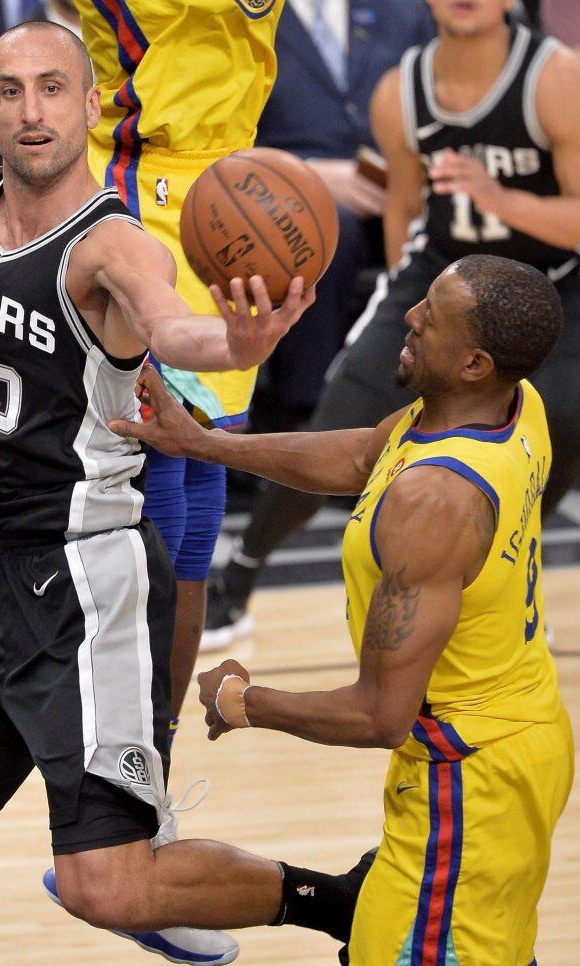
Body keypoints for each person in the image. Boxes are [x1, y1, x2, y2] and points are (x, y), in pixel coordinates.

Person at [0, 22, 323, 966]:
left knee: (105, 886)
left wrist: (239, 345)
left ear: (91, 105)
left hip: (92, 588)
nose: (30, 111)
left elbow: (179, 331)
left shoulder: (114, 246)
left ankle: (347, 903)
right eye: (9, 92)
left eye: (50, 89)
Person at [111, 254, 574, 965]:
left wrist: (241, 701)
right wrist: (206, 444)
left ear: (476, 363)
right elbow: (365, 456)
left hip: (469, 775)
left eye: (433, 318)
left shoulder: (434, 502)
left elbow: (379, 715)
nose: (411, 317)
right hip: (510, 737)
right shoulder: (508, 406)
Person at [205, 0, 580, 646]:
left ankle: (503, 584)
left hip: (555, 283)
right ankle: (238, 576)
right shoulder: (398, 91)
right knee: (343, 419)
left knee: (566, 420)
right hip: (442, 274)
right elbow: (404, 214)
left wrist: (498, 199)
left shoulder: (555, 79)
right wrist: (422, 315)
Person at [65, 0, 285, 738]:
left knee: (200, 468)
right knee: (156, 464)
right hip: (138, 180)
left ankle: (151, 763)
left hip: (231, 184)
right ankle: (125, 769)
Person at [247, 0, 434, 435]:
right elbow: (212, 130)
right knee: (329, 230)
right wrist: (304, 172)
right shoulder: (239, 13)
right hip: (278, 195)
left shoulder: (405, 12)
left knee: (445, 233)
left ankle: (422, 409)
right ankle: (310, 416)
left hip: (403, 185)